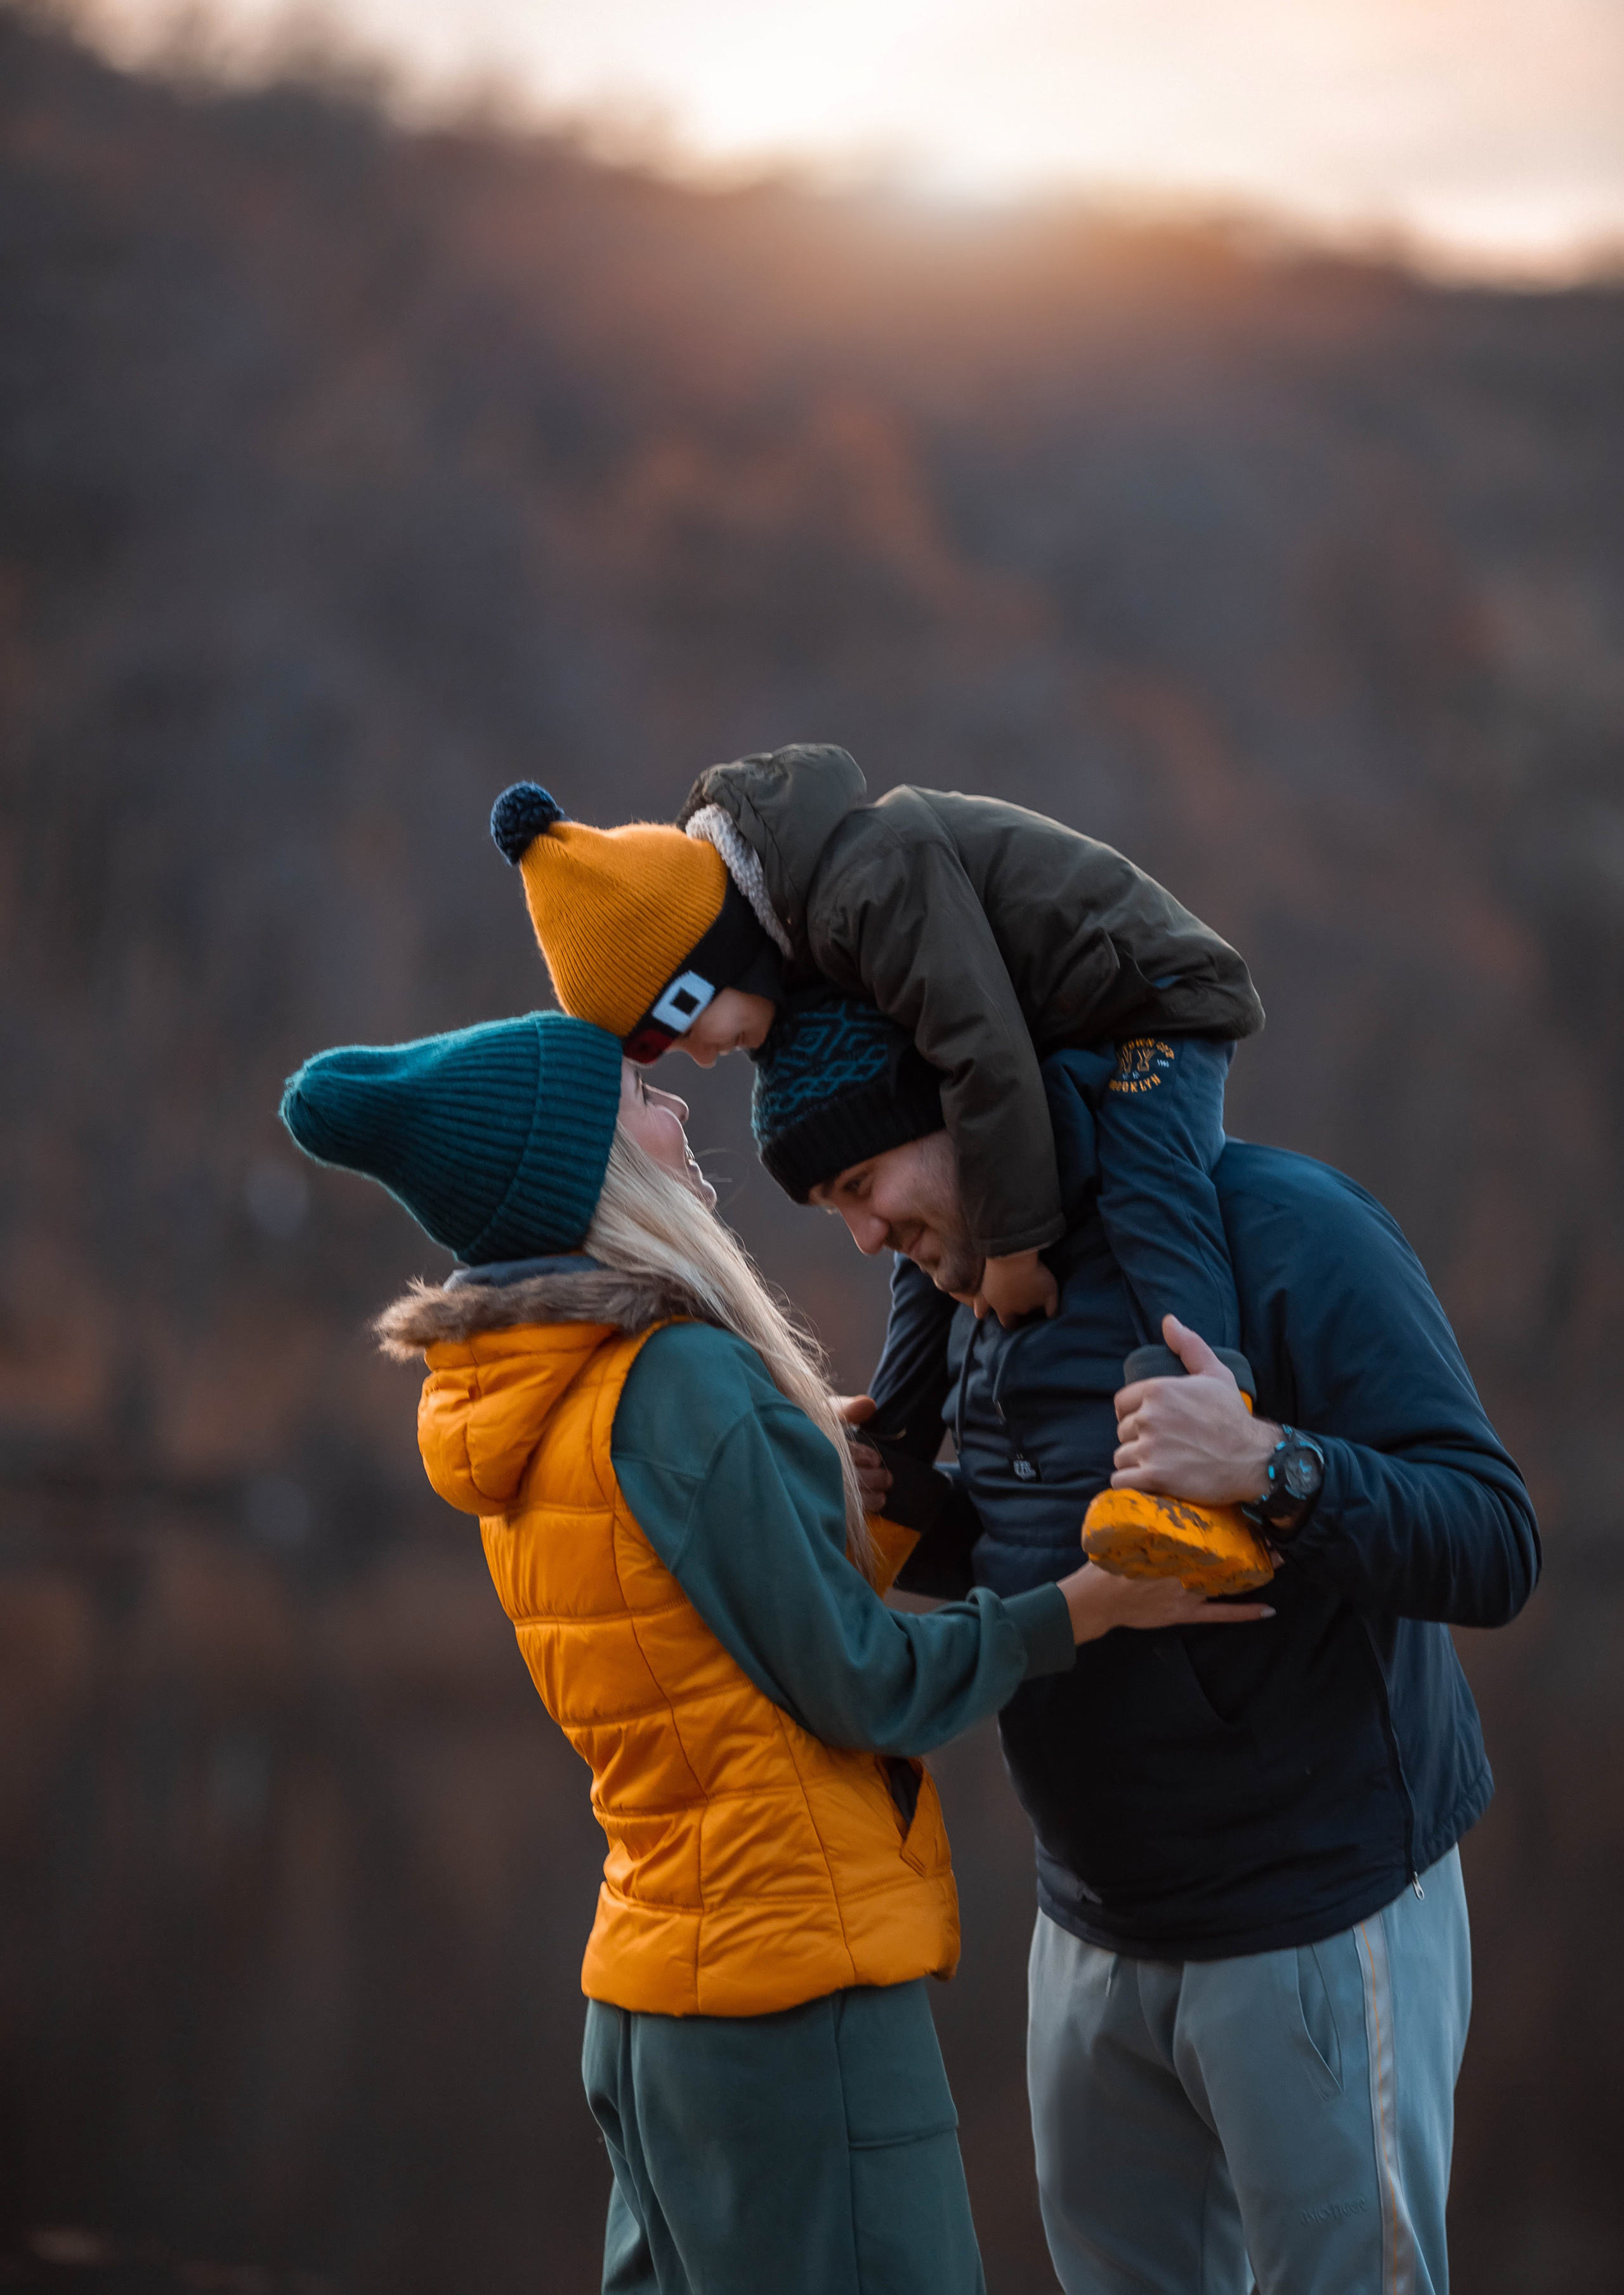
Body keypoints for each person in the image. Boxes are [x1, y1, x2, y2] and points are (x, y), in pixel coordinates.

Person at [277, 1009, 1269, 2295]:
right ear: (592, 1167)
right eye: (639, 1102)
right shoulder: (680, 1382)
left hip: (647, 2004)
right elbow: (863, 1683)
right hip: (789, 2003)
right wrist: (1083, 1606)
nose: (677, 1114)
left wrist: (798, 1468)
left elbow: (688, 1616)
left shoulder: (522, 1404)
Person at [747, 992, 1540, 2295]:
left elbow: (1494, 1542)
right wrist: (915, 1511)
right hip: (1086, 1938)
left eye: (860, 1181)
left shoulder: (1285, 1227)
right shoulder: (968, 1290)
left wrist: (1269, 1463)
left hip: (1313, 1923)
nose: (860, 1234)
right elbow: (1046, 1546)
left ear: (962, 1118)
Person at [486, 742, 1262, 1336]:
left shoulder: (869, 886)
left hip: (1150, 1000)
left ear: (708, 956)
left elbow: (982, 1054)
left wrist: (1014, 1256)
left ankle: (1209, 1391)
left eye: (679, 1029)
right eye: (656, 1054)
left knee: (1144, 1172)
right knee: (938, 1207)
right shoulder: (800, 949)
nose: (702, 1057)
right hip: (1056, 1027)